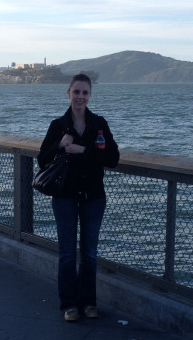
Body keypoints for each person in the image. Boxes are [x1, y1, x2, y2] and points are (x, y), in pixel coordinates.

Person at [37, 74, 119, 322]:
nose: (80, 97)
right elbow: (42, 159)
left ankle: (89, 303)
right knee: (67, 254)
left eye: (85, 92)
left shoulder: (99, 124)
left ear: (90, 95)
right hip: (65, 197)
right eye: (76, 92)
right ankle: (69, 305)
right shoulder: (58, 125)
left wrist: (84, 150)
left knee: (90, 253)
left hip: (94, 197)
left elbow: (113, 158)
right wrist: (60, 145)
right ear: (68, 93)